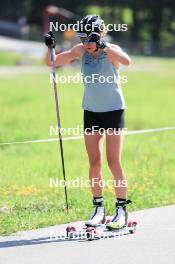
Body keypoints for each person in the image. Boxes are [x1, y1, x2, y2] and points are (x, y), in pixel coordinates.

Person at [44, 15, 132, 230]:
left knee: (113, 162)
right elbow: (52, 62)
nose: (86, 43)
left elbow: (127, 61)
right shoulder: (80, 51)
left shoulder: (110, 49)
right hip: (91, 112)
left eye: (89, 38)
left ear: (100, 35)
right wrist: (50, 48)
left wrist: (104, 45)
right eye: (82, 38)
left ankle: (121, 210)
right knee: (94, 162)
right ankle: (99, 209)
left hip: (113, 111)